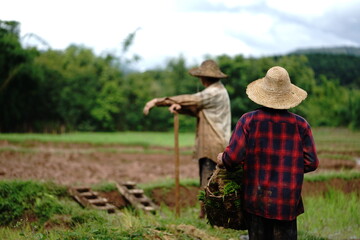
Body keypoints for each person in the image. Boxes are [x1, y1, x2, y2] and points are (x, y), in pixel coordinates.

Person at [217, 66, 319, 240]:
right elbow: (311, 163)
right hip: (286, 201)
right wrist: (288, 167)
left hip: (256, 198)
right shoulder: (301, 125)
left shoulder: (248, 120)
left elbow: (233, 157)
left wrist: (222, 159)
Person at [143, 59, 231, 218]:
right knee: (209, 180)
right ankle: (206, 216)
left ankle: (209, 217)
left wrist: (157, 101)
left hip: (212, 144)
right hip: (211, 143)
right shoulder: (216, 92)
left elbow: (191, 99)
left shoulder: (214, 92)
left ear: (204, 79)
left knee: (209, 182)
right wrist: (180, 108)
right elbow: (197, 110)